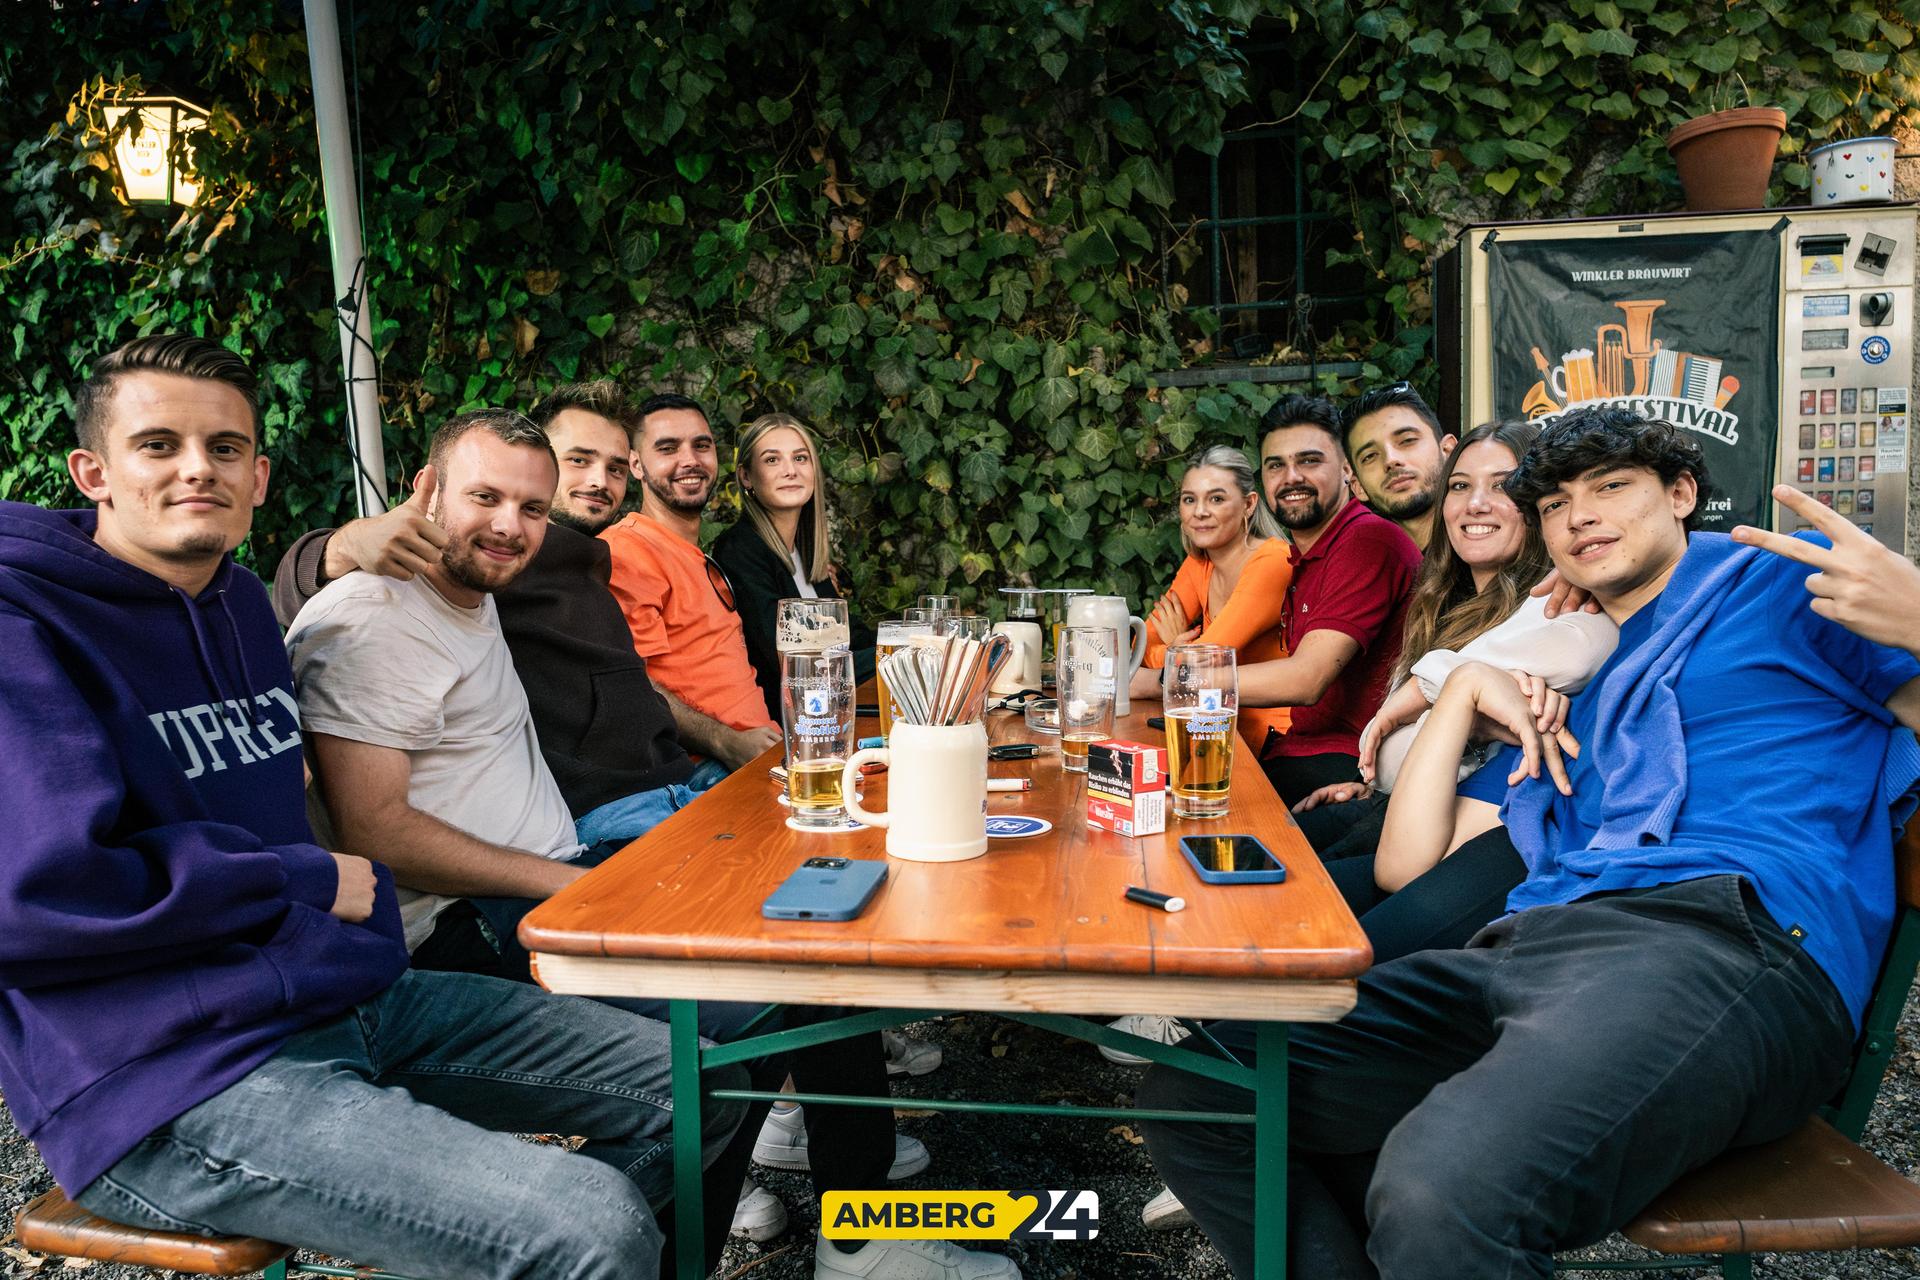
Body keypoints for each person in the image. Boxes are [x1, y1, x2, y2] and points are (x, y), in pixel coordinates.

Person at [0, 335, 744, 1280]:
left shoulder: (235, 606)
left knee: (705, 1086)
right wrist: (312, 875)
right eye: (159, 445)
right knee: (590, 1224)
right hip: (167, 1077)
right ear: (92, 471)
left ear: (261, 475)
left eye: (226, 448)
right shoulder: (24, 629)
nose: (199, 468)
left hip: (342, 993)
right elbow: (38, 902)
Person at [1138, 406, 1920, 1279]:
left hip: (1728, 940)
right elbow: (1425, 825)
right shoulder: (1577, 651)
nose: (1579, 514)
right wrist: (1469, 677)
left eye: (1613, 487)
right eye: (1555, 503)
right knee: (1207, 1095)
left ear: (1683, 494)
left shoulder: (1780, 593)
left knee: (1441, 1189)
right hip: (1542, 934)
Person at [288, 410, 996, 1280]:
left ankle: (833, 1222)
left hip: (564, 870)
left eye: (531, 506)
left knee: (813, 948)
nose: (512, 523)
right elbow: (375, 830)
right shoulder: (377, 613)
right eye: (485, 498)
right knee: (767, 1005)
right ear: (424, 493)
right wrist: (335, 547)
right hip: (482, 920)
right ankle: (765, 1235)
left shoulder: (488, 594)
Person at [1308, 420, 1617, 963]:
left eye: (1502, 485)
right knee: (1261, 864)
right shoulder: (1441, 603)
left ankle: (1185, 1004)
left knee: (1290, 904)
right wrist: (1376, 771)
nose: (1475, 503)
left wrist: (1436, 690)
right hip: (1391, 808)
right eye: (1459, 486)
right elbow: (1407, 749)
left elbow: (1584, 643)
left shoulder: (1563, 604)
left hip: (1455, 834)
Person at [1235, 393, 1422, 806]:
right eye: (1275, 465)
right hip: (1304, 753)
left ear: (1346, 471)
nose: (1291, 477)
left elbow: (1306, 680)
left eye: (1309, 460)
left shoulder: (1367, 540)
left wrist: (1176, 681)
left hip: (1352, 763)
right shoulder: (1310, 553)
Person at [602, 393, 782, 744]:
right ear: (636, 465)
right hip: (709, 772)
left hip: (764, 754)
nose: (690, 460)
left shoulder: (690, 552)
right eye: (668, 448)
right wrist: (725, 742)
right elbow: (634, 682)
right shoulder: (628, 549)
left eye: (701, 445)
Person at [1126, 443, 1293, 750]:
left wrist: (1177, 654)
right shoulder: (1200, 563)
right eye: (1190, 499)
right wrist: (1178, 653)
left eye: (1216, 498)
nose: (1200, 512)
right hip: (1209, 727)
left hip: (1272, 742)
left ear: (1248, 504)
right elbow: (1139, 649)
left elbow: (1205, 664)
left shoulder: (1272, 562)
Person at [711, 411, 876, 720]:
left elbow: (849, 634)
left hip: (832, 712)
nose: (790, 471)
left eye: (801, 458)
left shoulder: (805, 553)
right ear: (746, 476)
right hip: (787, 725)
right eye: (772, 460)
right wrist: (891, 657)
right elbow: (790, 659)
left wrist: (909, 640)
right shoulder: (739, 550)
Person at [1341, 382, 1457, 551]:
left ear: (1448, 450)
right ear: (1358, 487)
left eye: (1407, 440)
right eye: (1370, 456)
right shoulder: (1372, 565)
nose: (1390, 460)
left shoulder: (1489, 551)